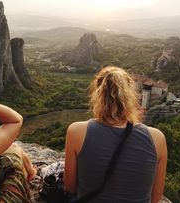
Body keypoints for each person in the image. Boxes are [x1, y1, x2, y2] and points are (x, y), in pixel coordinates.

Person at [64, 66, 167, 203]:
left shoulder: (76, 131)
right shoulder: (157, 138)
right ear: (131, 96)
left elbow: (70, 187)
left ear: (97, 95)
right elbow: (155, 198)